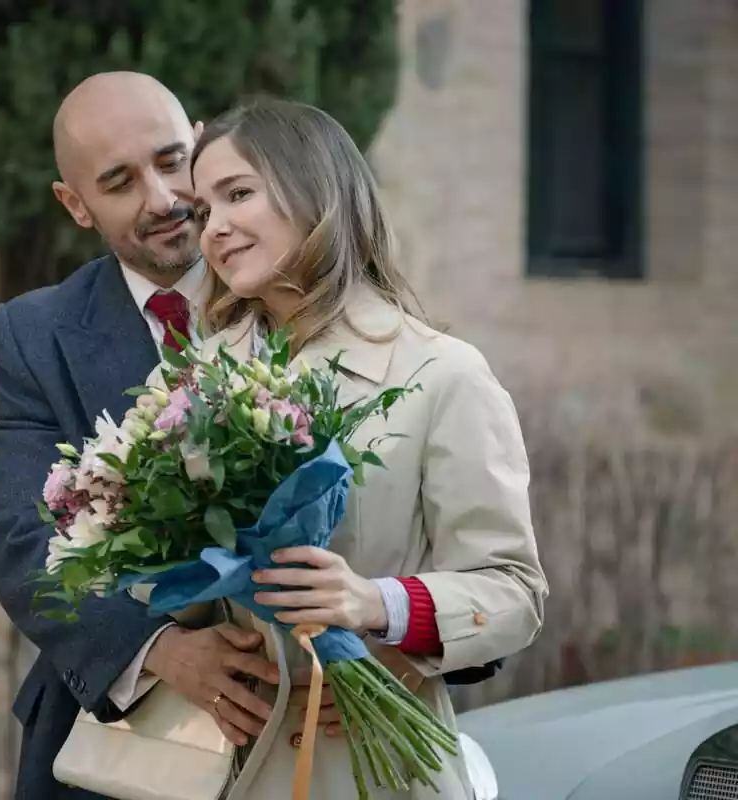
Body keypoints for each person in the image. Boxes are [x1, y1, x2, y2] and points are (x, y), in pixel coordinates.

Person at [182, 96, 549, 798]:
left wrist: (374, 602)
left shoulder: (440, 373)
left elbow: (514, 592)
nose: (214, 229)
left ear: (315, 190)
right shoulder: (198, 379)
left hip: (379, 767)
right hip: (230, 766)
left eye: (237, 194)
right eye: (204, 211)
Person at [0, 71, 283, 800]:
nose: (163, 199)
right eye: (119, 182)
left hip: (312, 725)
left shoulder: (295, 288)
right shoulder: (36, 334)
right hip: (116, 751)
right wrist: (160, 651)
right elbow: (23, 539)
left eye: (172, 159)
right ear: (75, 204)